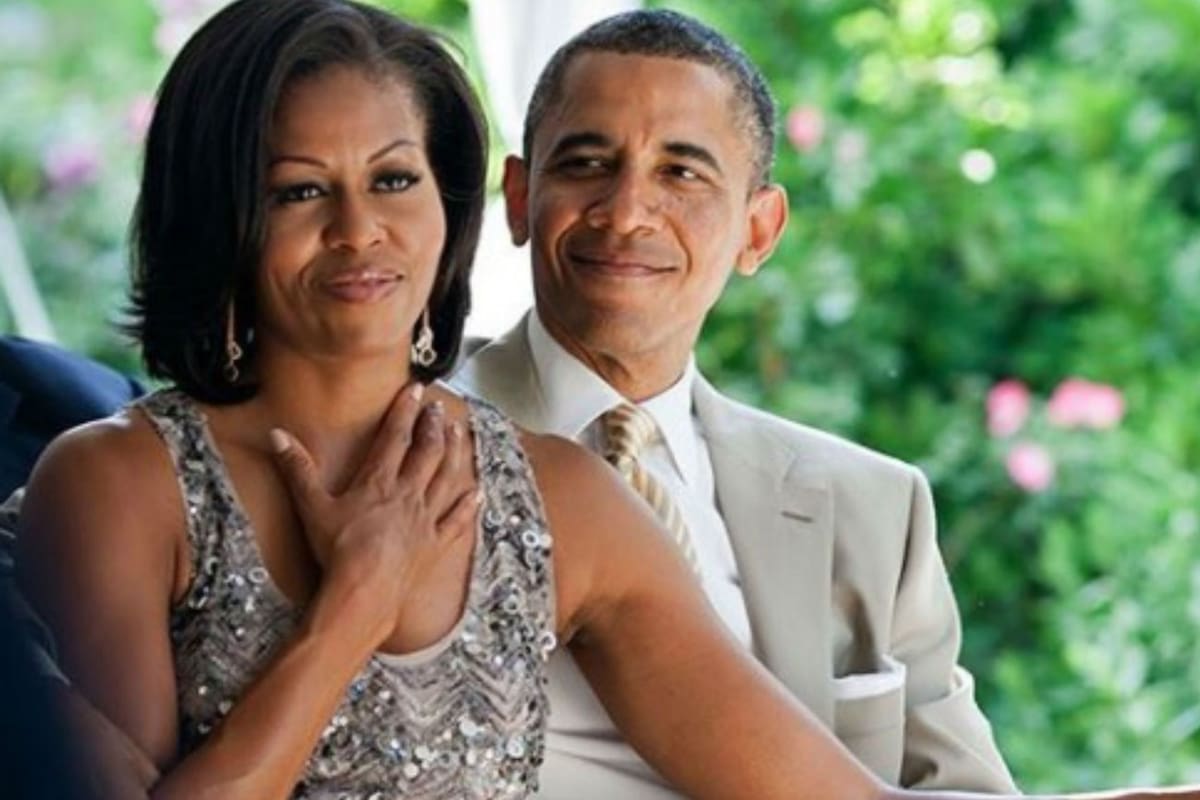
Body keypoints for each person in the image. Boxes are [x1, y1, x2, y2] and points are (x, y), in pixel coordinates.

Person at [7, 2, 1200, 800]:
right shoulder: (118, 480)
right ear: (219, 213)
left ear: (455, 203)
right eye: (298, 191)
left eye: (395, 179)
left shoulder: (554, 490)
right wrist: (353, 605)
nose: (361, 230)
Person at [450, 9, 999, 797]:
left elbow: (967, 792)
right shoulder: (413, 444)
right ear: (518, 197)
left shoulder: (874, 509)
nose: (627, 210)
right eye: (586, 163)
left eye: (681, 173)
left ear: (759, 229)